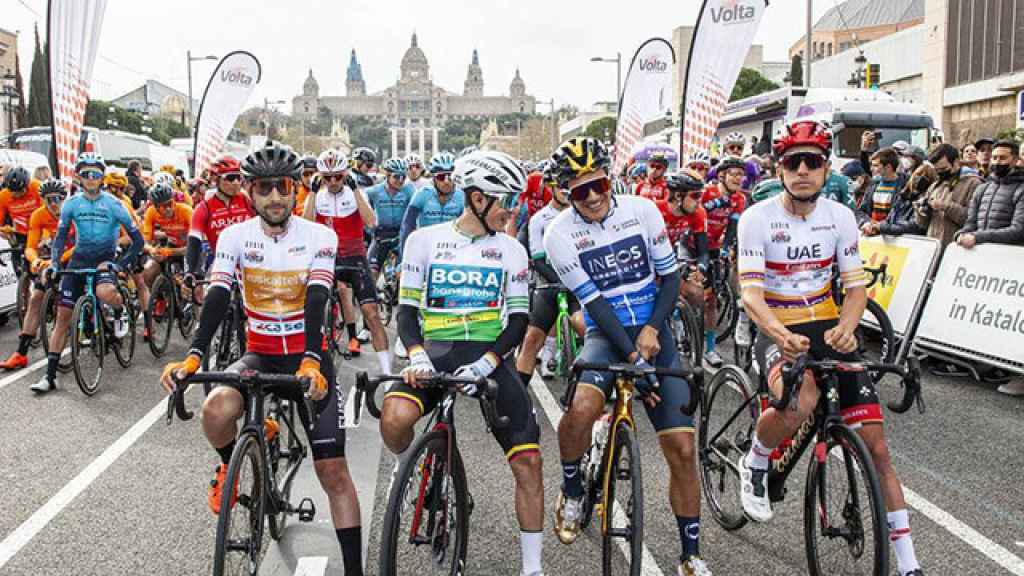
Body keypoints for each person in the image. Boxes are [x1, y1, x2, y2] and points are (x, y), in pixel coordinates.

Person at [159, 143, 365, 576]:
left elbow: (317, 296)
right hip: (259, 354)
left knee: (333, 472)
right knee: (215, 411)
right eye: (265, 189)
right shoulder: (235, 236)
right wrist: (194, 355)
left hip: (308, 359)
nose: (275, 197)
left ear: (295, 190)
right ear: (250, 193)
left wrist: (312, 359)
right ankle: (234, 463)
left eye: (283, 188)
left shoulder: (319, 236)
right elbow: (217, 294)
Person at [736, 120, 924, 576]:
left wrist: (847, 325)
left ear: (825, 169)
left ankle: (908, 564)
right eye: (793, 162)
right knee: (801, 401)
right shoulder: (757, 219)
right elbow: (751, 295)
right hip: (776, 323)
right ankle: (756, 460)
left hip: (825, 322)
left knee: (876, 447)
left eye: (813, 162)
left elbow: (855, 289)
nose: (803, 170)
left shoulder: (839, 216)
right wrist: (780, 335)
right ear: (779, 169)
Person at [543, 137, 708, 576]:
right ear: (565, 192)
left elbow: (670, 279)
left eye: (598, 185)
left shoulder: (642, 211)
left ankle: (690, 554)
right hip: (606, 332)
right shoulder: (558, 233)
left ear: (610, 179)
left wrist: (652, 332)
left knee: (683, 448)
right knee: (581, 408)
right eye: (580, 191)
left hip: (653, 329)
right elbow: (594, 304)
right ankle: (574, 488)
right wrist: (634, 354)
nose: (593, 197)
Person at [381, 150, 546, 576]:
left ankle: (533, 568)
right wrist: (415, 354)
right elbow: (406, 312)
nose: (512, 211)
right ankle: (408, 469)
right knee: (395, 418)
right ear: (477, 198)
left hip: (488, 355)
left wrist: (489, 363)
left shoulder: (512, 250)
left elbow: (518, 320)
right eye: (505, 200)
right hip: (436, 348)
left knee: (529, 461)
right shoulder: (425, 241)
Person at [34, 154, 143, 393]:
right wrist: (54, 263)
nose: (91, 178)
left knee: (105, 292)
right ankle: (50, 375)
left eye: (95, 174)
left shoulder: (115, 204)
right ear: (78, 177)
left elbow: (138, 241)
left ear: (102, 177)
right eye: (86, 174)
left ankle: (120, 310)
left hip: (105, 260)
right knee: (63, 315)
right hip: (79, 259)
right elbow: (61, 238)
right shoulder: (72, 204)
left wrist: (120, 265)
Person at [303, 147, 390, 372]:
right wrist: (312, 193)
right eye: (327, 177)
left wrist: (356, 191)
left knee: (371, 313)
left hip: (354, 258)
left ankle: (387, 372)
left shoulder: (354, 195)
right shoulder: (318, 196)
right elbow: (306, 225)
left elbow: (371, 222)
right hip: (326, 259)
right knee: (313, 306)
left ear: (346, 175)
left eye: (338, 177)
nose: (332, 182)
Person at [514, 172, 583, 385]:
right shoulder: (539, 219)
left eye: (567, 186)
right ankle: (518, 396)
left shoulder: (582, 215)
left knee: (584, 327)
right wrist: (562, 281)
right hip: (549, 284)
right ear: (549, 188)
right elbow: (538, 260)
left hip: (579, 284)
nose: (564, 191)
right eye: (559, 187)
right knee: (531, 339)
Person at [0, 180, 74, 370]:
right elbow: (30, 247)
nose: (53, 204)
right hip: (52, 260)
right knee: (35, 299)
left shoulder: (74, 213)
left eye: (57, 199)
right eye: (48, 200)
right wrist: (34, 260)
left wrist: (58, 260)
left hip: (74, 258)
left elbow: (80, 245)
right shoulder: (38, 215)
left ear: (64, 199)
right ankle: (21, 353)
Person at [701, 156, 746, 367]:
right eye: (734, 174)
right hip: (691, 244)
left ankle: (710, 349)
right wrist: (716, 203)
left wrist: (726, 248)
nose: (739, 178)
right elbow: (694, 212)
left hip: (713, 247)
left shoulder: (739, 199)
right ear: (722, 175)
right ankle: (678, 321)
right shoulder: (706, 191)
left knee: (711, 300)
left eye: (741, 174)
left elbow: (732, 227)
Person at [185, 155, 254, 289]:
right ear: (216, 180)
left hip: (252, 261)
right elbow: (194, 241)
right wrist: (190, 272)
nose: (236, 182)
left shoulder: (247, 200)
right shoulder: (204, 208)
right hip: (223, 262)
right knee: (208, 299)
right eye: (230, 178)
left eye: (238, 177)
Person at [658, 171, 709, 317]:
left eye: (701, 195)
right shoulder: (656, 210)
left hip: (670, 256)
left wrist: (700, 269)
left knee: (696, 292)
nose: (699, 201)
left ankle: (684, 324)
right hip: (648, 259)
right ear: (679, 196)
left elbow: (703, 252)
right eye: (695, 196)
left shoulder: (698, 213)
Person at [914, 144, 983, 250]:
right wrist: (920, 212)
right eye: (937, 170)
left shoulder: (974, 183)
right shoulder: (935, 185)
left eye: (943, 169)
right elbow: (922, 224)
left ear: (956, 162)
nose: (940, 173)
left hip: (957, 249)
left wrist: (944, 206)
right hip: (934, 247)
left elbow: (972, 219)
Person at [399, 151, 464, 257]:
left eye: (450, 176)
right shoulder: (422, 194)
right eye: (441, 177)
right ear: (433, 178)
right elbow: (407, 226)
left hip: (453, 251)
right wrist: (403, 258)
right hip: (426, 248)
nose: (446, 181)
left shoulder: (462, 196)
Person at [140, 183, 193, 297]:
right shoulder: (151, 212)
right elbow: (145, 242)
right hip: (173, 244)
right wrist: (152, 250)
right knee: (148, 272)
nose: (168, 208)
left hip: (190, 247)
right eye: (164, 206)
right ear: (155, 207)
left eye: (170, 203)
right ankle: (161, 298)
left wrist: (168, 252)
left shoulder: (186, 210)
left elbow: (193, 247)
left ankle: (198, 313)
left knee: (194, 288)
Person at [365, 157, 414, 279]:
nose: (401, 180)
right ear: (387, 175)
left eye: (404, 176)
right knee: (370, 274)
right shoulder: (374, 191)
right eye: (397, 177)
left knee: (401, 273)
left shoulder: (409, 190)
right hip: (380, 237)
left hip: (400, 236)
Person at [862, 163, 934, 237]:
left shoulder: (926, 200)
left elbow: (913, 226)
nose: (919, 180)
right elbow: (890, 218)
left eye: (925, 178)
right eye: (918, 175)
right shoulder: (904, 195)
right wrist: (875, 227)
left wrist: (881, 227)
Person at [0, 166, 43, 272]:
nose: (16, 195)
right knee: (21, 266)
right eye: (13, 191)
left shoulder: (37, 187)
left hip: (40, 230)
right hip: (20, 233)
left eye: (20, 191)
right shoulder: (4, 196)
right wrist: (4, 232)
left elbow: (47, 211)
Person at [858, 147, 908, 231]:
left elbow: (903, 219)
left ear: (888, 167)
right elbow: (861, 211)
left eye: (876, 165)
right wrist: (866, 223)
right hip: (873, 238)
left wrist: (882, 227)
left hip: (893, 238)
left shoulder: (904, 186)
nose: (871, 169)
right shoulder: (873, 184)